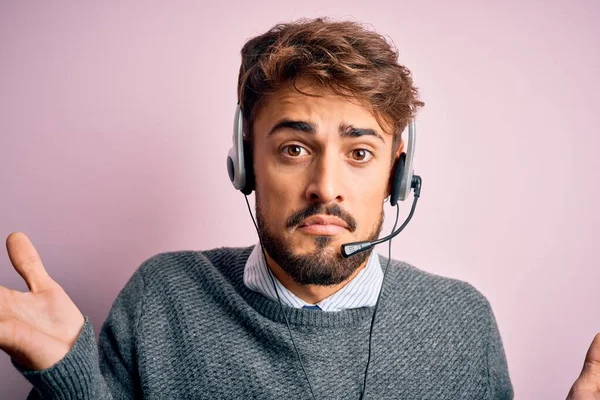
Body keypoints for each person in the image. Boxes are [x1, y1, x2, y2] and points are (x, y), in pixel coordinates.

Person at [1, 17, 598, 400]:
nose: (325, 186)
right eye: (293, 149)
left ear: (397, 172)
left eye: (360, 152)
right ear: (245, 163)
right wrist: (67, 374)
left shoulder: (461, 322)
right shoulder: (164, 297)